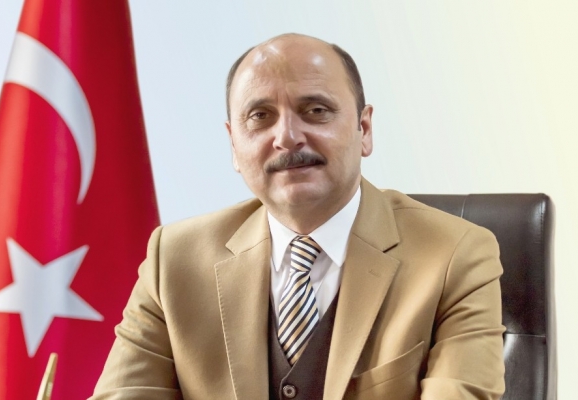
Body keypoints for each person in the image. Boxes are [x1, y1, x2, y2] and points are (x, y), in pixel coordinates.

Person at [91, 33, 505, 399]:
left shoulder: (456, 256)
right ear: (234, 145)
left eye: (316, 110)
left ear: (364, 130)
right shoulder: (173, 260)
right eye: (260, 116)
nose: (287, 137)